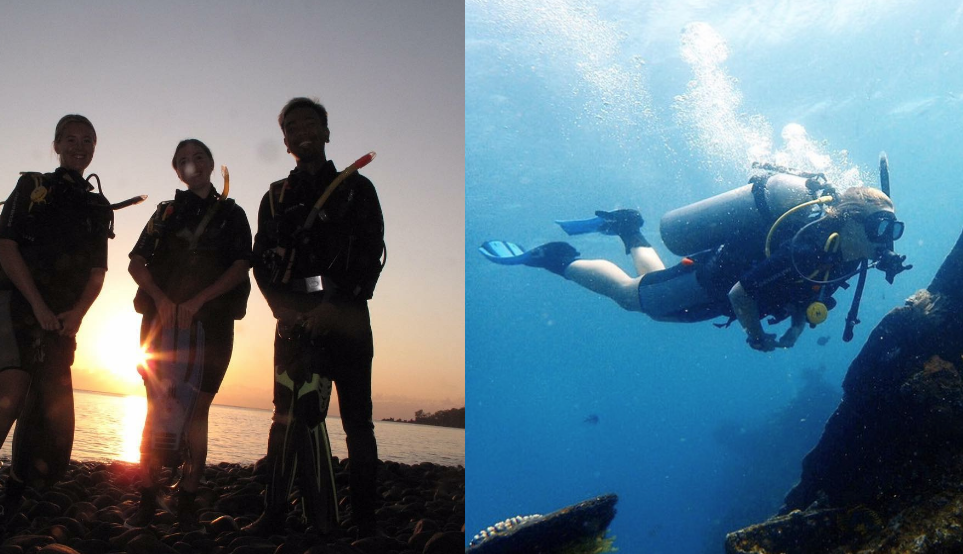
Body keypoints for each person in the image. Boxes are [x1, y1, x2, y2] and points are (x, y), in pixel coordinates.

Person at [481, 171, 910, 351]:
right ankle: (556, 258)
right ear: (848, 222)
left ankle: (630, 228)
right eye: (878, 231)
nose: (884, 243)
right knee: (635, 298)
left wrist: (798, 325)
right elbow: (744, 293)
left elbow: (811, 292)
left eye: (891, 231)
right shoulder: (806, 247)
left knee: (654, 292)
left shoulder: (848, 256)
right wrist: (756, 334)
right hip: (710, 283)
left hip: (712, 284)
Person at [0, 114, 114, 539]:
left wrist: (75, 315)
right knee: (10, 397)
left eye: (88, 140)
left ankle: (12, 499)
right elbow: (7, 247)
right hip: (14, 305)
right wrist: (38, 305)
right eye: (71, 139)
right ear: (56, 144)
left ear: (94, 148)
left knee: (46, 412)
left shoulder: (97, 206)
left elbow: (98, 272)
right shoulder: (31, 187)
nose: (80, 146)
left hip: (62, 318)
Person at [244, 97, 386, 537]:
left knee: (358, 422)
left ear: (327, 132)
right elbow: (259, 261)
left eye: (311, 123)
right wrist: (280, 310)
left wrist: (335, 305)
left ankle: (365, 522)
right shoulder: (274, 197)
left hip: (347, 320)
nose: (302, 131)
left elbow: (371, 254)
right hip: (293, 326)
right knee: (285, 420)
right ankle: (275, 513)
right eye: (292, 126)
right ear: (285, 140)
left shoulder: (358, 189)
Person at [126, 138, 252, 531]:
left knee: (198, 411)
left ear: (212, 164)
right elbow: (136, 262)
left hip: (211, 326)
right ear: (176, 171)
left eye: (199, 156)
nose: (192, 164)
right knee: (155, 407)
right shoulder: (165, 212)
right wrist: (162, 300)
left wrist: (199, 300)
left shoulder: (233, 215)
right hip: (160, 325)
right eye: (183, 160)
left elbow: (240, 265)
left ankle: (187, 499)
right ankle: (147, 496)